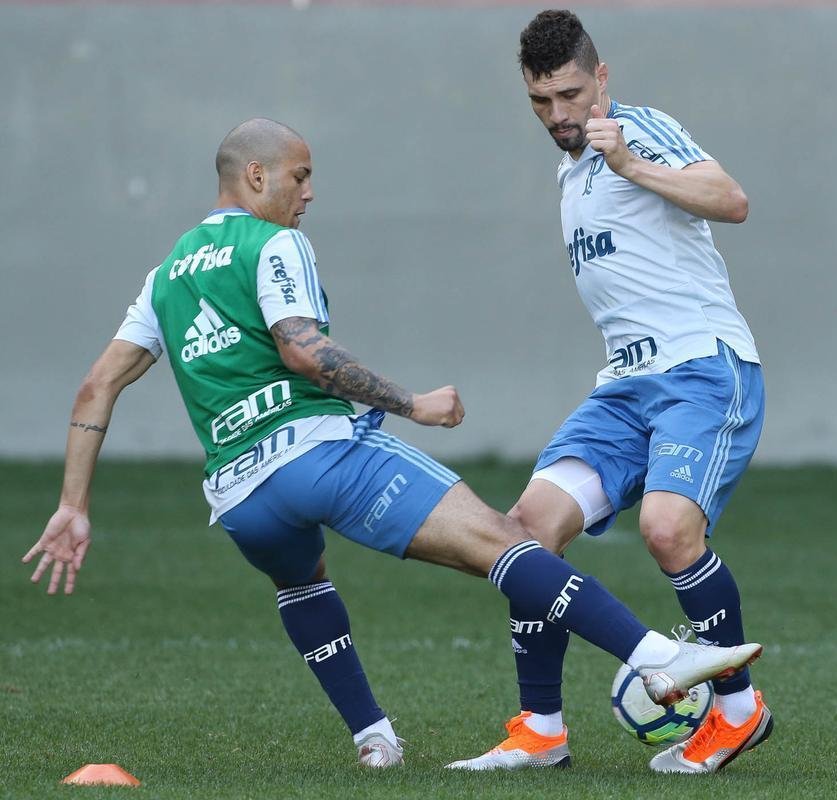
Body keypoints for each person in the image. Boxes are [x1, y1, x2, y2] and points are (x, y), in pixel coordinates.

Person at [22, 118, 761, 769]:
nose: (308, 194)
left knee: (303, 587)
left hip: (240, 499)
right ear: (255, 176)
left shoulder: (165, 276)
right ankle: (659, 656)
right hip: (319, 457)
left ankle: (375, 737)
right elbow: (303, 350)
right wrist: (413, 405)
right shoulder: (272, 243)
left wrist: (72, 505)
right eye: (300, 177)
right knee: (507, 542)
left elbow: (95, 387)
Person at [448, 11, 773, 775]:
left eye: (570, 94)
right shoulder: (574, 165)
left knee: (666, 529)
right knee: (522, 532)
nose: (558, 115)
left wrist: (629, 162)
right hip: (625, 385)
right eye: (540, 101)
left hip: (701, 367)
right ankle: (540, 729)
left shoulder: (634, 130)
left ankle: (735, 710)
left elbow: (730, 200)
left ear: (602, 78)